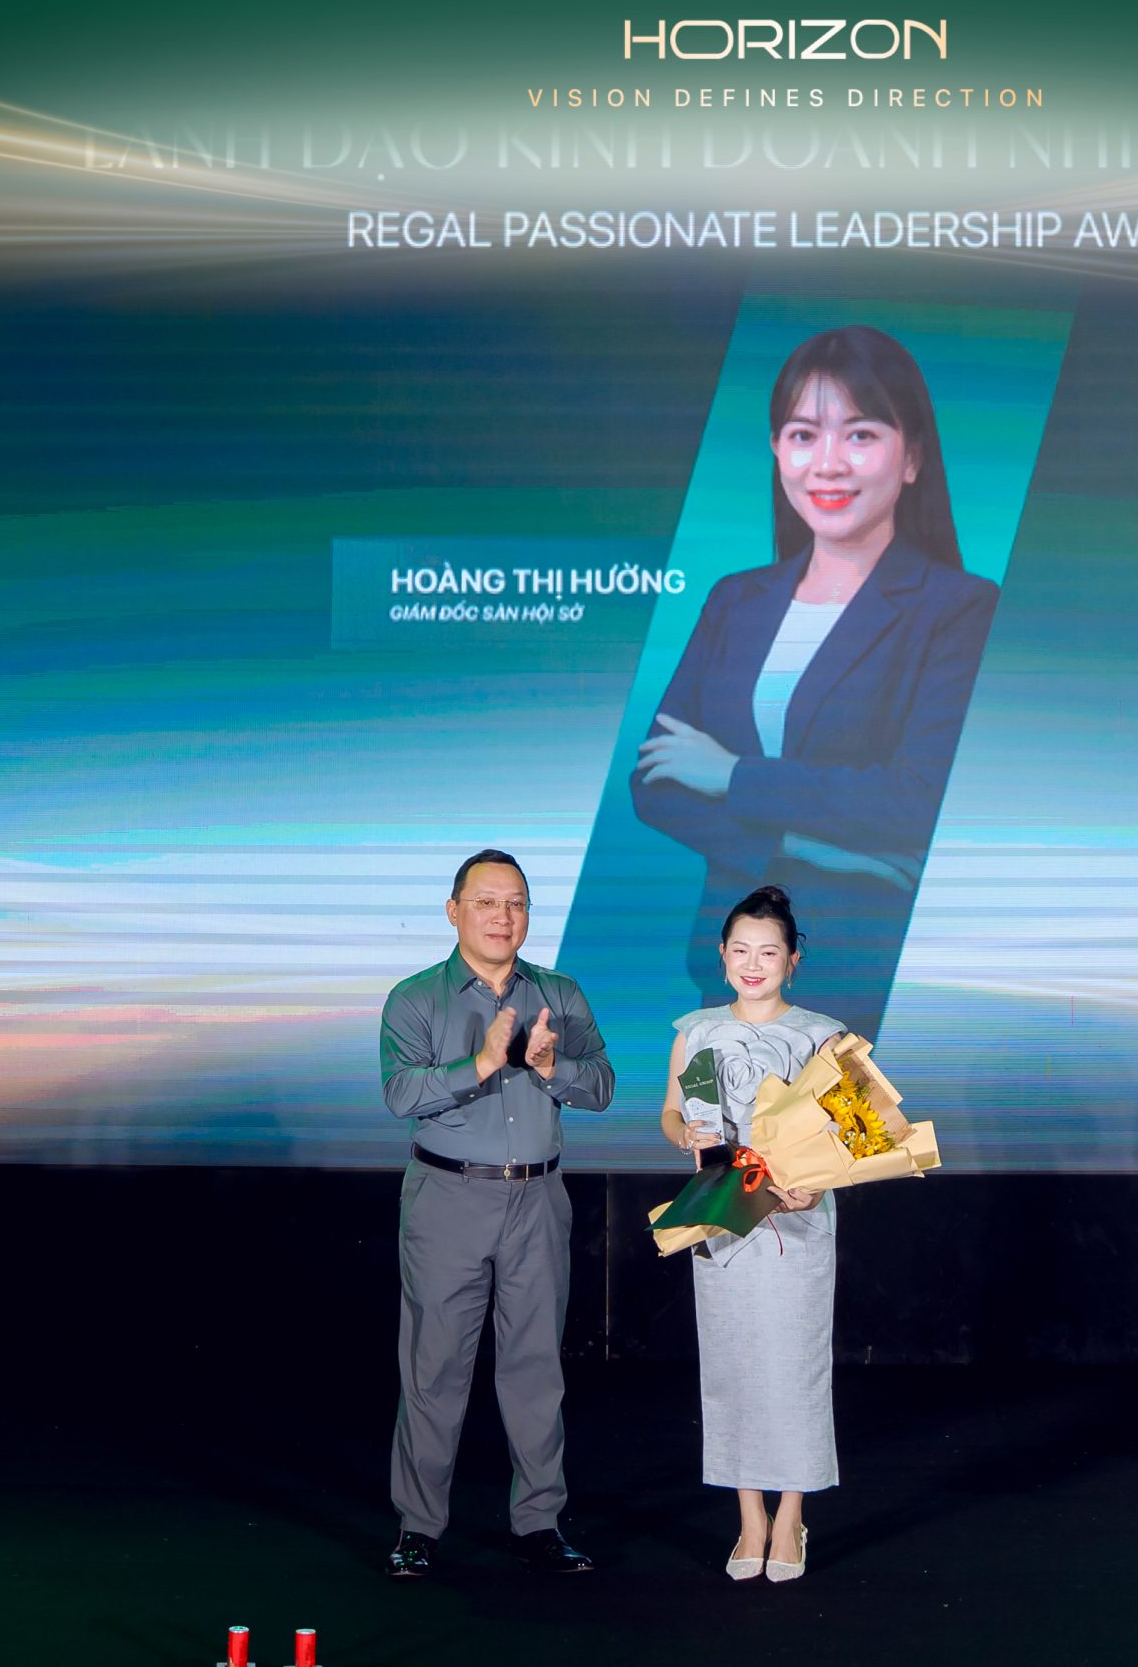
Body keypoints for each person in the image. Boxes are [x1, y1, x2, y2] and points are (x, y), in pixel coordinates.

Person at [632, 325, 999, 1042]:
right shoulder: (735, 599)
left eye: (860, 434)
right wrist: (824, 847)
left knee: (851, 1122)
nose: (827, 463)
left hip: (861, 984)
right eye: (803, 435)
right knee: (718, 1122)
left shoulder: (959, 610)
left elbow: (917, 801)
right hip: (733, 980)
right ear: (777, 450)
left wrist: (731, 776)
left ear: (912, 457)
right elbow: (657, 783)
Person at [658, 884, 906, 1584]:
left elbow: (867, 1132)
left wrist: (820, 1183)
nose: (752, 964)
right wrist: (686, 1136)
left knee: (794, 1365)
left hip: (797, 1219)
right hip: (721, 1210)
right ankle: (749, 1517)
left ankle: (792, 1512)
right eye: (740, 951)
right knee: (732, 1365)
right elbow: (672, 1114)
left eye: (768, 953)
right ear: (721, 955)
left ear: (792, 961)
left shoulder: (823, 1035)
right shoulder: (697, 1031)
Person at [379, 848, 614, 1579]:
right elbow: (400, 1093)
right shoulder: (415, 998)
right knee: (434, 1368)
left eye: (515, 903)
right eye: (485, 902)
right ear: (454, 911)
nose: (501, 916)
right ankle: (419, 1527)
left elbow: (602, 1086)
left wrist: (550, 1067)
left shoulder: (560, 994)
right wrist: (480, 1064)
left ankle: (539, 1522)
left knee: (535, 1367)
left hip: (537, 1199)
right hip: (448, 1197)